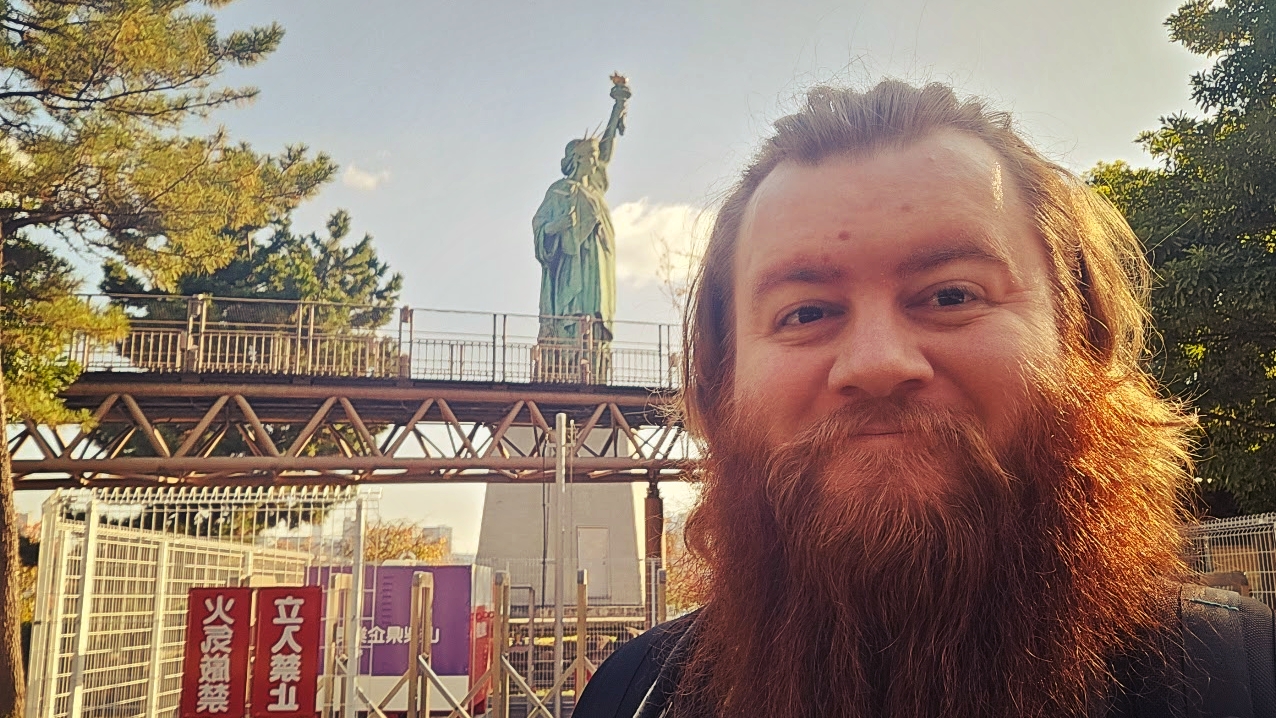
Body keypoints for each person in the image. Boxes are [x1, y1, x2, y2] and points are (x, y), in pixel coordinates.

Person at [573, 80, 1276, 718]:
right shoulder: (634, 697)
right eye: (807, 312)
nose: (878, 363)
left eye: (952, 295)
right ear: (720, 381)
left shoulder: (1246, 680)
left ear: (1080, 338)